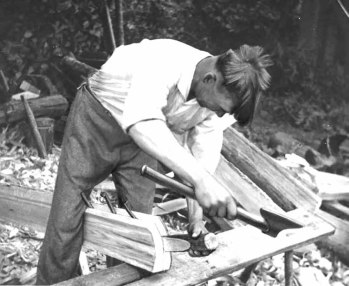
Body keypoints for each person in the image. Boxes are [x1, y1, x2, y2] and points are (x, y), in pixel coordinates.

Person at [36, 38, 271, 285]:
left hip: (146, 142)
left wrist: (196, 217)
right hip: (97, 122)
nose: (220, 114)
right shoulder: (165, 59)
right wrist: (202, 182)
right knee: (67, 215)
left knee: (138, 227)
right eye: (221, 107)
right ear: (210, 79)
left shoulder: (210, 103)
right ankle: (53, 282)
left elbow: (203, 163)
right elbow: (142, 123)